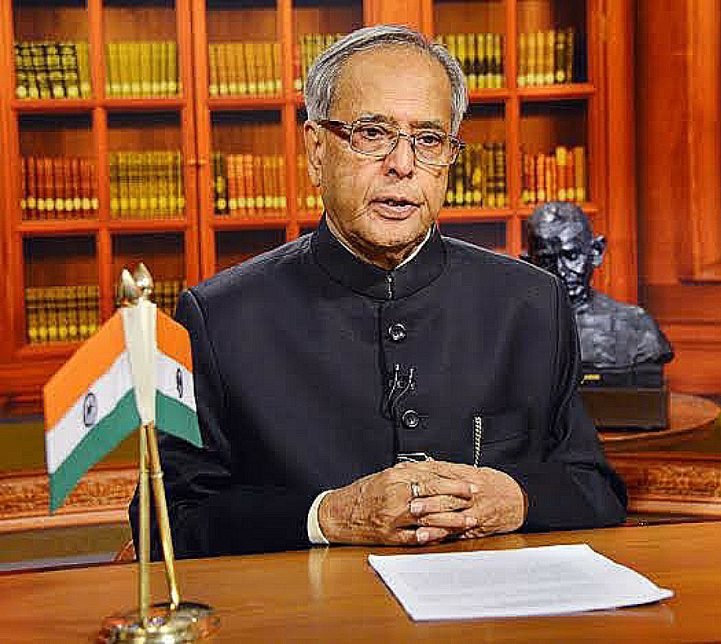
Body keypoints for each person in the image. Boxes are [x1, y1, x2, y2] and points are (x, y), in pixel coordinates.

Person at [130, 25, 626, 558]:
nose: (403, 165)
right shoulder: (219, 317)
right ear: (316, 151)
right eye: (372, 133)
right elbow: (167, 520)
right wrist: (327, 516)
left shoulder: (530, 304)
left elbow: (595, 489)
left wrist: (519, 499)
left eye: (429, 140)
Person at [525, 202, 673, 371]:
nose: (561, 271)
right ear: (528, 264)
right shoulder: (515, 328)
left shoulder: (636, 325)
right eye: (546, 261)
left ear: (596, 252)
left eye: (572, 256)